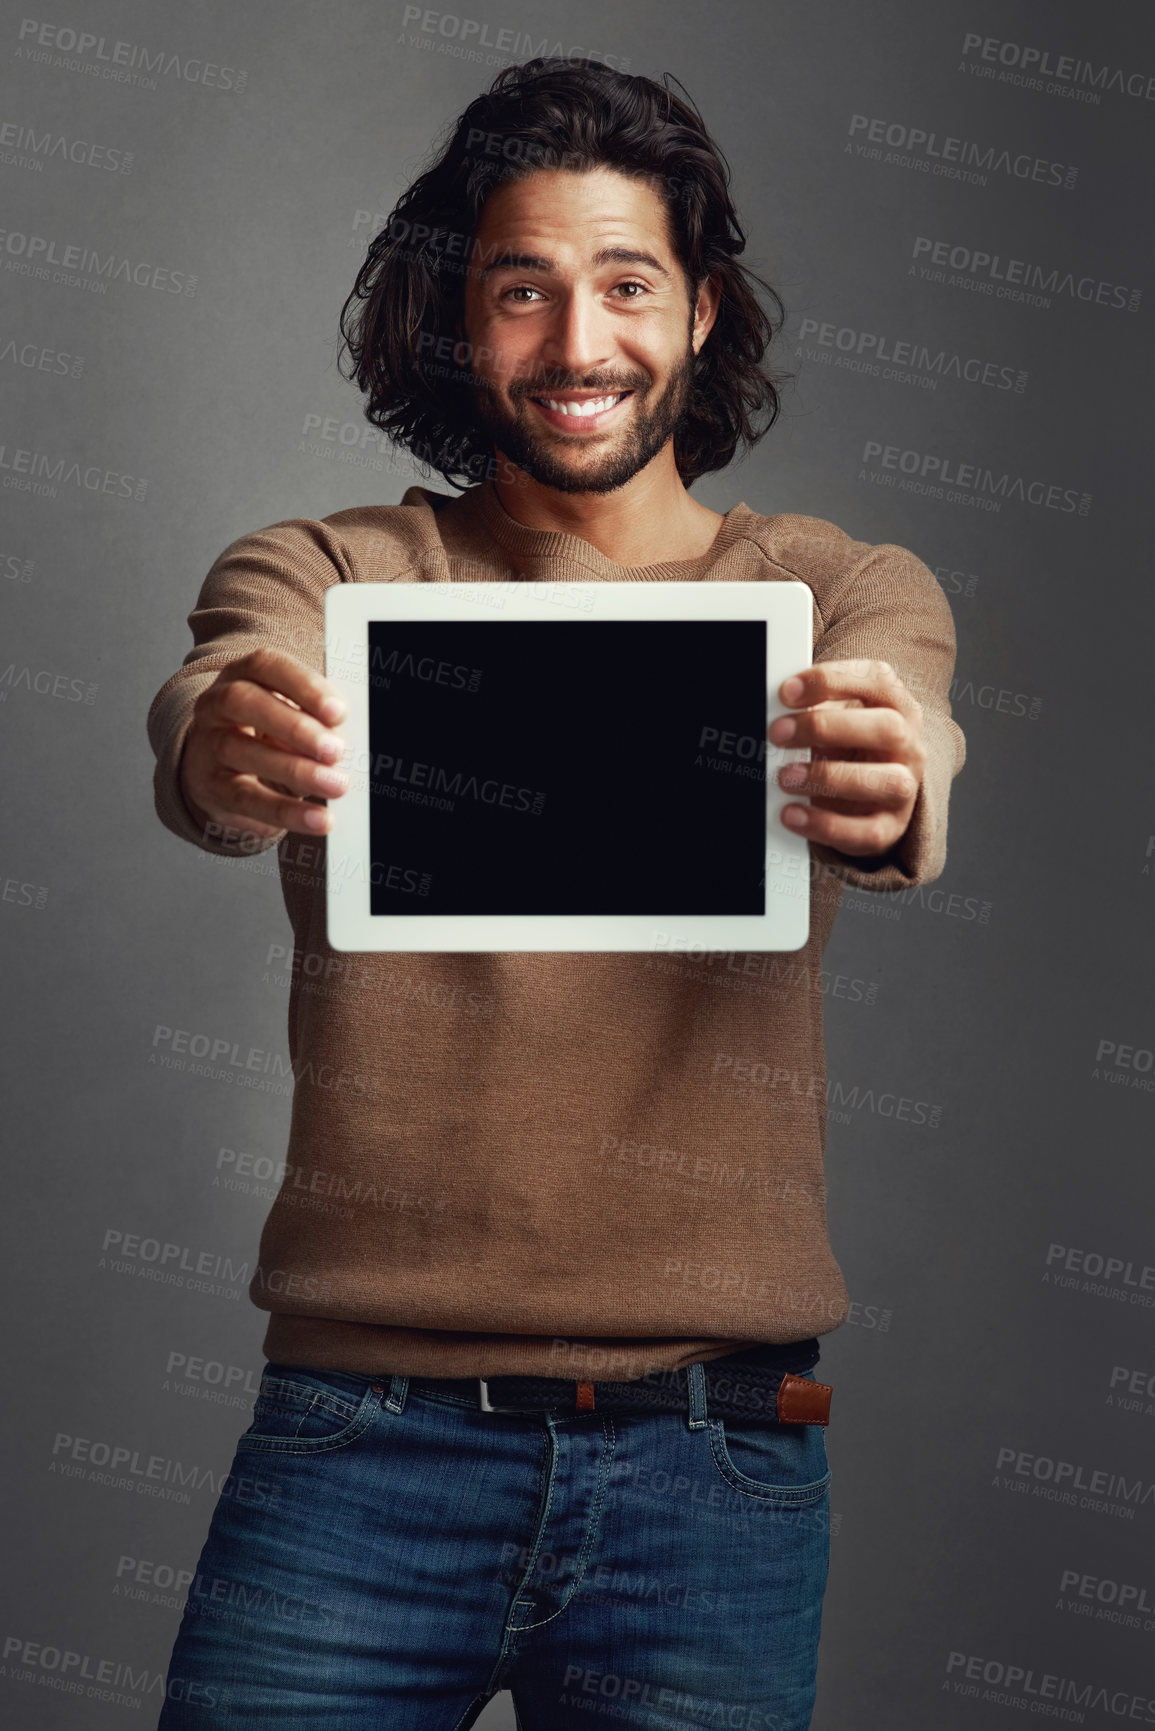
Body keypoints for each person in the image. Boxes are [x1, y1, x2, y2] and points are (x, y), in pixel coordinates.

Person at [148, 56, 965, 1731]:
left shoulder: (832, 585)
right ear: (461, 317)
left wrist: (897, 780)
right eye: (522, 290)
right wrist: (227, 744)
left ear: (705, 311)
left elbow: (909, 723)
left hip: (715, 1464)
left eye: (625, 286)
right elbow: (234, 677)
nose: (578, 347)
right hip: (356, 1440)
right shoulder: (339, 567)